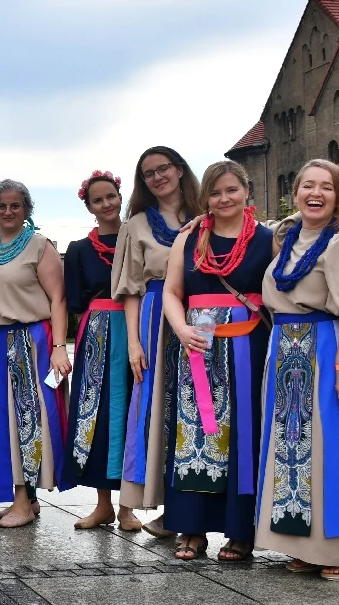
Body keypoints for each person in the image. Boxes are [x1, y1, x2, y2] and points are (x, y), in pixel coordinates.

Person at [256, 159, 339, 580]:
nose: (316, 193)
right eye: (308, 186)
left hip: (328, 350)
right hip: (287, 351)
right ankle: (306, 545)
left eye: (327, 187)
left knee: (336, 448)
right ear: (295, 193)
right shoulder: (286, 241)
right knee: (295, 450)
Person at [160, 161, 273, 561]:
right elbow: (172, 292)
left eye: (232, 190)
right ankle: (191, 526)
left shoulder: (267, 239)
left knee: (244, 432)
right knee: (195, 433)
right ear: (204, 197)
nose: (224, 199)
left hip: (247, 345)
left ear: (246, 191)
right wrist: (180, 328)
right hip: (198, 343)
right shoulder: (189, 238)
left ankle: (241, 530)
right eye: (215, 192)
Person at [0, 180, 73, 528]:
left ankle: (23, 500)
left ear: (26, 208)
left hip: (28, 343)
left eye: (15, 205)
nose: (8, 211)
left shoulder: (40, 246)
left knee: (27, 419)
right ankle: (26, 497)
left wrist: (59, 347)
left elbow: (58, 299)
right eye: (1, 206)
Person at [113, 146, 203, 538]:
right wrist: (134, 343)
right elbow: (131, 290)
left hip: (201, 316)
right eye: (148, 173)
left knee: (198, 409)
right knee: (156, 410)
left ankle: (192, 507)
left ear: (180, 170)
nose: (157, 177)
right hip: (155, 320)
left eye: (163, 168)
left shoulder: (206, 217)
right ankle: (162, 506)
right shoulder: (135, 225)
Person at [62, 172, 141, 531]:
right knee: (96, 414)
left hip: (136, 329)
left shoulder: (138, 238)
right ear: (89, 207)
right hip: (96, 334)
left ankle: (128, 507)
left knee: (133, 411)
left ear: (120, 197)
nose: (106, 204)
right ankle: (103, 504)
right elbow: (75, 302)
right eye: (98, 200)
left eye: (111, 196)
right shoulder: (79, 249)